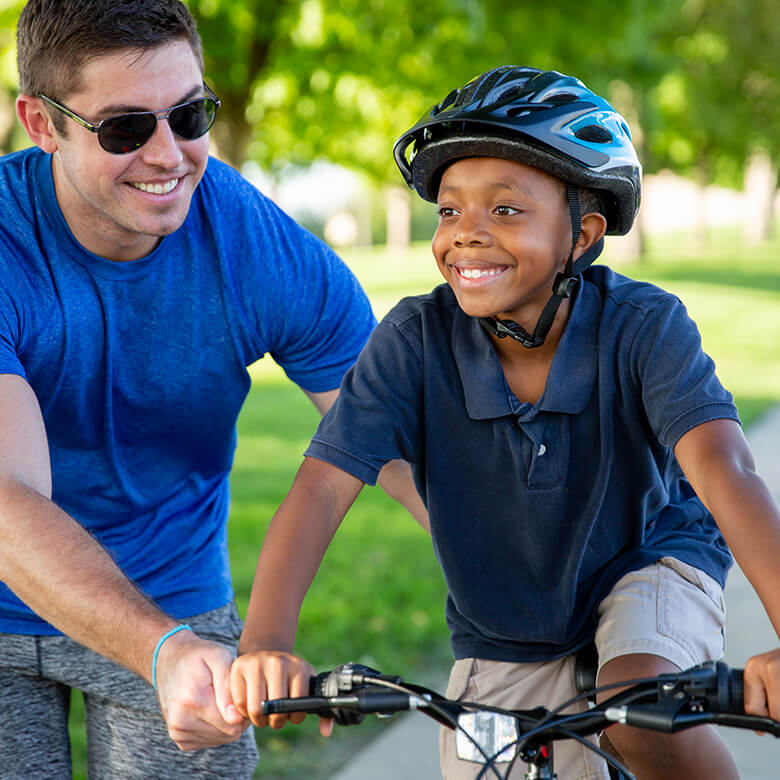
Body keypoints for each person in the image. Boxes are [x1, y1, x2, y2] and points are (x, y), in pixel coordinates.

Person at [230, 66, 780, 779]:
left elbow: (723, 467)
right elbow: (321, 489)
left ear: (581, 235)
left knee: (635, 700)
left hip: (651, 555)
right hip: (510, 619)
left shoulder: (644, 327)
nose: (467, 236)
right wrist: (265, 644)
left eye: (506, 211)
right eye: (449, 211)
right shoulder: (413, 340)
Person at [0, 1, 425, 777]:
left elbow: (400, 445)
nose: (169, 155)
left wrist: (539, 587)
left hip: (171, 597)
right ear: (40, 121)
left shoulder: (259, 249)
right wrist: (157, 649)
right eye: (125, 128)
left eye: (190, 114)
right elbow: (6, 500)